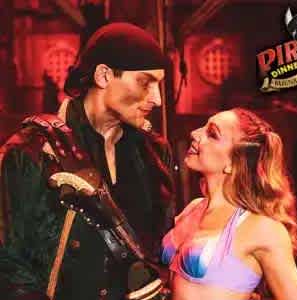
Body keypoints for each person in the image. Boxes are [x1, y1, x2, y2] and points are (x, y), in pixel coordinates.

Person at [0, 22, 175, 300]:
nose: (156, 98)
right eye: (145, 82)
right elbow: (9, 264)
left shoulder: (155, 151)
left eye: (159, 85)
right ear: (104, 75)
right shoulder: (31, 151)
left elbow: (163, 248)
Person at [161, 108, 297, 300]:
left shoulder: (262, 229)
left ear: (234, 162)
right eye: (203, 127)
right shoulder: (194, 208)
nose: (195, 133)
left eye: (212, 134)